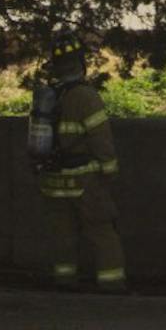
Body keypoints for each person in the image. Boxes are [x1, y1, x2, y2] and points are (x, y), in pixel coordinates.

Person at [27, 32, 127, 292]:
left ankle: (64, 281)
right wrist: (110, 169)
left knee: (63, 234)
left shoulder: (50, 97)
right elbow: (100, 137)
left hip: (53, 179)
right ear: (80, 64)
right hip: (84, 178)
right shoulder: (86, 96)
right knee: (102, 231)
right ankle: (112, 284)